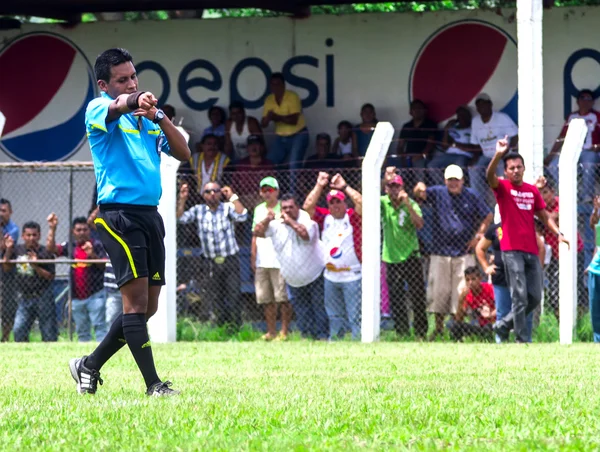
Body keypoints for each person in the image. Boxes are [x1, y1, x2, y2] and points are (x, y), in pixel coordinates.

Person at [70, 48, 191, 397]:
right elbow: (117, 106)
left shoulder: (147, 119)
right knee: (135, 306)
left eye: (133, 76)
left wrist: (161, 117)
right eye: (123, 79)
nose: (131, 82)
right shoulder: (98, 108)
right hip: (118, 216)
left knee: (146, 309)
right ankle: (154, 385)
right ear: (104, 84)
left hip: (149, 216)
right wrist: (135, 97)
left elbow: (183, 153)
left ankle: (88, 365)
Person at [486, 136, 568, 343]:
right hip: (511, 250)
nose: (515, 170)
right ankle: (522, 340)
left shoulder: (532, 191)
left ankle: (503, 325)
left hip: (531, 250)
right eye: (511, 168)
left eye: (518, 167)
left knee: (535, 297)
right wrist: (498, 154)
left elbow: (544, 216)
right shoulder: (503, 188)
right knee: (519, 295)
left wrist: (558, 233)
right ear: (506, 171)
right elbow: (489, 176)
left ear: (523, 169)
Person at [413, 164, 492, 340]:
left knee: (462, 293)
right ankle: (439, 328)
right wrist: (420, 187)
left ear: (463, 180)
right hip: (440, 251)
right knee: (439, 293)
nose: (453, 183)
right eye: (450, 180)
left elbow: (488, 215)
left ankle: (457, 329)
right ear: (445, 180)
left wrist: (479, 236)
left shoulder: (472, 195)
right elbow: (421, 193)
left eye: (456, 180)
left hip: (463, 252)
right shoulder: (439, 192)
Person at [253, 194, 328, 340]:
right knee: (302, 310)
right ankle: (307, 337)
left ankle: (323, 337)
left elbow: (304, 235)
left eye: (290, 207)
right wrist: (268, 219)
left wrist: (289, 221)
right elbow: (257, 232)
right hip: (293, 278)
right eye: (284, 208)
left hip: (314, 275)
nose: (287, 211)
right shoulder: (275, 225)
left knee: (319, 308)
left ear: (298, 208)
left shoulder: (307, 221)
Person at [177, 181, 248, 329]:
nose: (212, 194)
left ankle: (236, 328)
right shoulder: (198, 210)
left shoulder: (227, 208)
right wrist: (182, 199)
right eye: (208, 191)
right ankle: (221, 328)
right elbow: (179, 218)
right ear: (203, 195)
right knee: (215, 296)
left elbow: (243, 216)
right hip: (210, 262)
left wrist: (233, 197)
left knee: (234, 295)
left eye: (215, 190)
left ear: (220, 193)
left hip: (230, 260)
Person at [303, 172, 363, 340]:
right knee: (334, 316)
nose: (336, 205)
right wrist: (319, 185)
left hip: (352, 275)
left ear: (345, 203)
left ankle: (357, 342)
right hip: (331, 276)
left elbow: (363, 203)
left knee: (355, 316)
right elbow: (307, 207)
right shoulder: (325, 218)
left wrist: (344, 187)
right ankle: (336, 342)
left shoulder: (353, 217)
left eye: (339, 201)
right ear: (328, 205)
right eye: (332, 202)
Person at [381, 168, 427, 338]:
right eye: (390, 186)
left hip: (410, 256)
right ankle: (402, 332)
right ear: (386, 188)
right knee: (396, 297)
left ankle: (421, 332)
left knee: (417, 295)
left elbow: (419, 224)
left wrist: (407, 204)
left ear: (402, 188)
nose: (394, 189)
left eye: (396, 186)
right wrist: (384, 178)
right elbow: (366, 202)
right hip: (391, 257)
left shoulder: (411, 203)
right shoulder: (383, 202)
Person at [251, 177, 292, 341]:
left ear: (277, 191)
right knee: (266, 299)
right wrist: (253, 257)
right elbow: (255, 233)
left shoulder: (284, 207)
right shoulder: (259, 209)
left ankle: (284, 332)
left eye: (270, 190)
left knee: (283, 299)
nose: (267, 193)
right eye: (264, 190)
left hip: (280, 260)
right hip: (263, 260)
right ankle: (271, 332)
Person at [2, 222, 56, 342]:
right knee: (19, 330)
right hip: (24, 297)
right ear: (23, 236)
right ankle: (24, 353)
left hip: (43, 296)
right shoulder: (17, 250)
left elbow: (50, 276)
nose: (31, 238)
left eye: (34, 235)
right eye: (28, 235)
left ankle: (49, 354)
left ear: (39, 236)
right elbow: (6, 267)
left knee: (48, 332)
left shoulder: (45, 252)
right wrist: (8, 249)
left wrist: (35, 266)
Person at [447, 267, 495, 342]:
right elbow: (459, 319)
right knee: (452, 324)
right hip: (478, 325)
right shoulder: (467, 294)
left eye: (473, 279)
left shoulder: (489, 288)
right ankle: (458, 344)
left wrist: (491, 314)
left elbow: (502, 308)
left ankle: (489, 337)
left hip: (493, 323)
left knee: (487, 327)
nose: (470, 282)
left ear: (480, 279)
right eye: (467, 280)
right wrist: (460, 300)